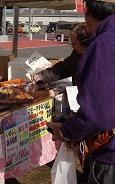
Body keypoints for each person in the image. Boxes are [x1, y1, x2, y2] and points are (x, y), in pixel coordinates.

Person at [47, 0, 115, 183]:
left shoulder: (103, 46)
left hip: (109, 155)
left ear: (87, 11)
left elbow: (96, 115)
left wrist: (66, 131)